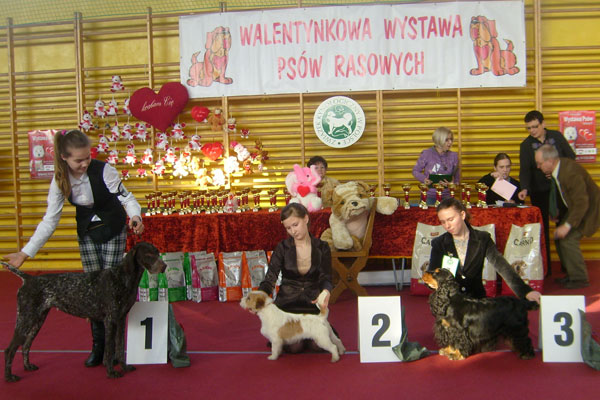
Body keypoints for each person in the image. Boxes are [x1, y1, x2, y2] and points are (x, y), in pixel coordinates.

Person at [2, 129, 144, 368]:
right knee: (92, 290)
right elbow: (49, 221)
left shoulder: (105, 170)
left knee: (112, 291)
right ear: (64, 157)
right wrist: (25, 253)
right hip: (87, 231)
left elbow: (126, 198)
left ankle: (114, 353)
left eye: (88, 157)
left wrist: (136, 216)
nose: (85, 163)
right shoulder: (60, 181)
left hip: (113, 228)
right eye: (79, 160)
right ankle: (98, 347)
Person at [428, 198, 541, 303]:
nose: (447, 225)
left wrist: (525, 291)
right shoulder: (439, 243)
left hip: (477, 302)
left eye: (451, 219)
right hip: (450, 303)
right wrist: (434, 283)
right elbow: (431, 276)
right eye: (443, 222)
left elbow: (502, 267)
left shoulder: (483, 238)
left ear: (462, 215)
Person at [258, 202, 333, 352]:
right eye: (288, 228)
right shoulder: (282, 247)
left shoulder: (322, 247)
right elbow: (270, 278)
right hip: (287, 306)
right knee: (295, 347)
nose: (293, 231)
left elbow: (326, 277)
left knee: (317, 345)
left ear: (306, 219)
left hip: (312, 305)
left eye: (295, 225)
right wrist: (260, 295)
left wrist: (326, 291)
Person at [535, 144, 600, 289]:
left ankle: (580, 278)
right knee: (560, 238)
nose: (538, 167)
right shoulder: (560, 168)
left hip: (589, 210)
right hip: (577, 209)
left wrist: (567, 225)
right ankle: (571, 273)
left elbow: (582, 202)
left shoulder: (570, 173)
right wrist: (556, 212)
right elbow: (564, 194)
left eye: (540, 163)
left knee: (568, 239)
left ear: (550, 161)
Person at [518, 110, 575, 274]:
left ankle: (568, 266)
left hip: (561, 189)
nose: (532, 131)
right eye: (528, 128)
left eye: (535, 126)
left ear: (543, 124)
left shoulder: (557, 137)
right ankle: (545, 267)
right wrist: (524, 188)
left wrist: (557, 170)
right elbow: (525, 170)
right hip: (539, 191)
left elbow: (571, 157)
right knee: (541, 231)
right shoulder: (525, 145)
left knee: (564, 227)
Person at [412, 127, 460, 205]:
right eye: (447, 140)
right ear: (439, 140)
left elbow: (457, 179)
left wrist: (452, 184)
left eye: (451, 139)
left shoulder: (454, 156)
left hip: (447, 196)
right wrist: (424, 179)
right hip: (429, 196)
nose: (450, 142)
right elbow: (415, 171)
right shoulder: (426, 153)